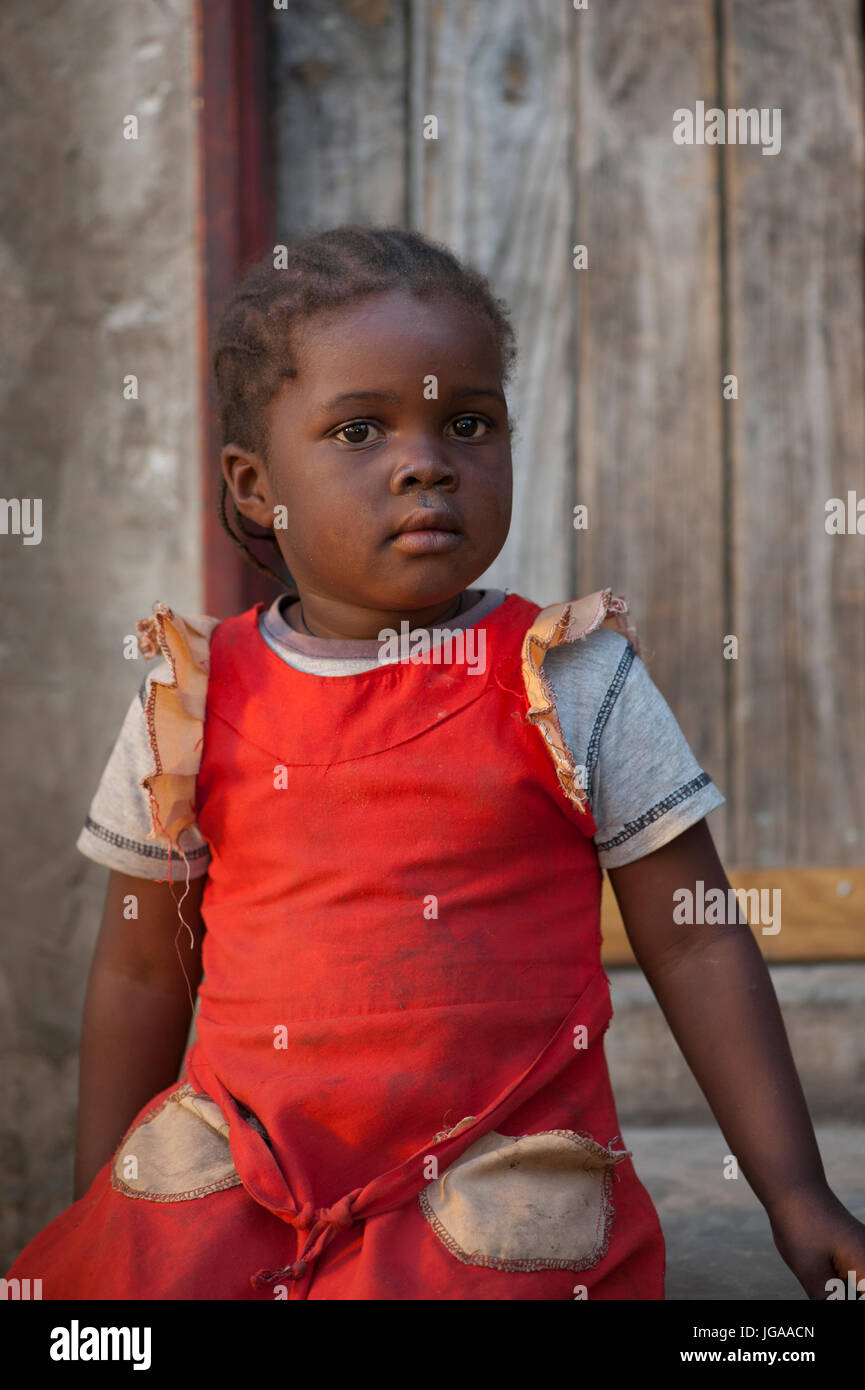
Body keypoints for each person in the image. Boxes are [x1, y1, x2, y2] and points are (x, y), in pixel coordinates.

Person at [7, 226, 865, 1301]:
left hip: (486, 1188)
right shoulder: (193, 698)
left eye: (468, 422)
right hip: (250, 1168)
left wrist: (794, 1190)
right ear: (256, 482)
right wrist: (114, 1214)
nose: (426, 460)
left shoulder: (569, 681)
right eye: (360, 428)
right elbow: (139, 969)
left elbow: (695, 946)